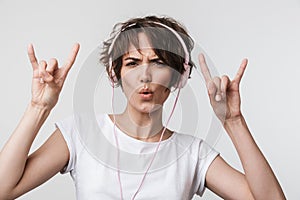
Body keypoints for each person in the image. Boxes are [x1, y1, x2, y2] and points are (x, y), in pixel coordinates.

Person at [0, 15, 286, 200]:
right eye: (133, 63)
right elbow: (4, 189)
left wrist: (233, 120)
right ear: (116, 74)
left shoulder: (192, 154)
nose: (145, 76)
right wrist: (39, 106)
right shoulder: (80, 133)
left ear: (179, 77)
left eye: (159, 63)